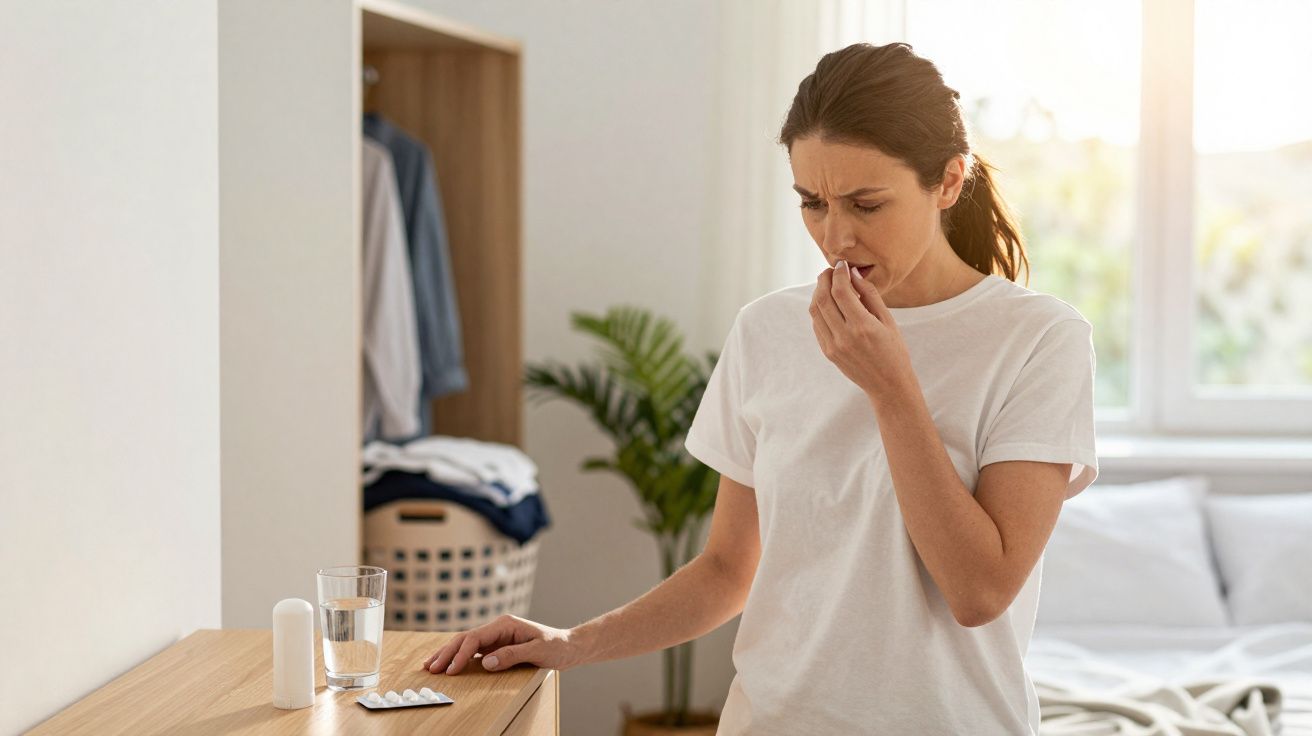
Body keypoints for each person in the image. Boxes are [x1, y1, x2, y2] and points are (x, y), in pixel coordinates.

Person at [417, 41, 1098, 735]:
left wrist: (891, 388)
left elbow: (979, 591)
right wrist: (570, 643)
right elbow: (726, 571)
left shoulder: (1039, 339)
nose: (836, 236)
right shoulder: (768, 330)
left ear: (949, 181)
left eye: (866, 204)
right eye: (813, 203)